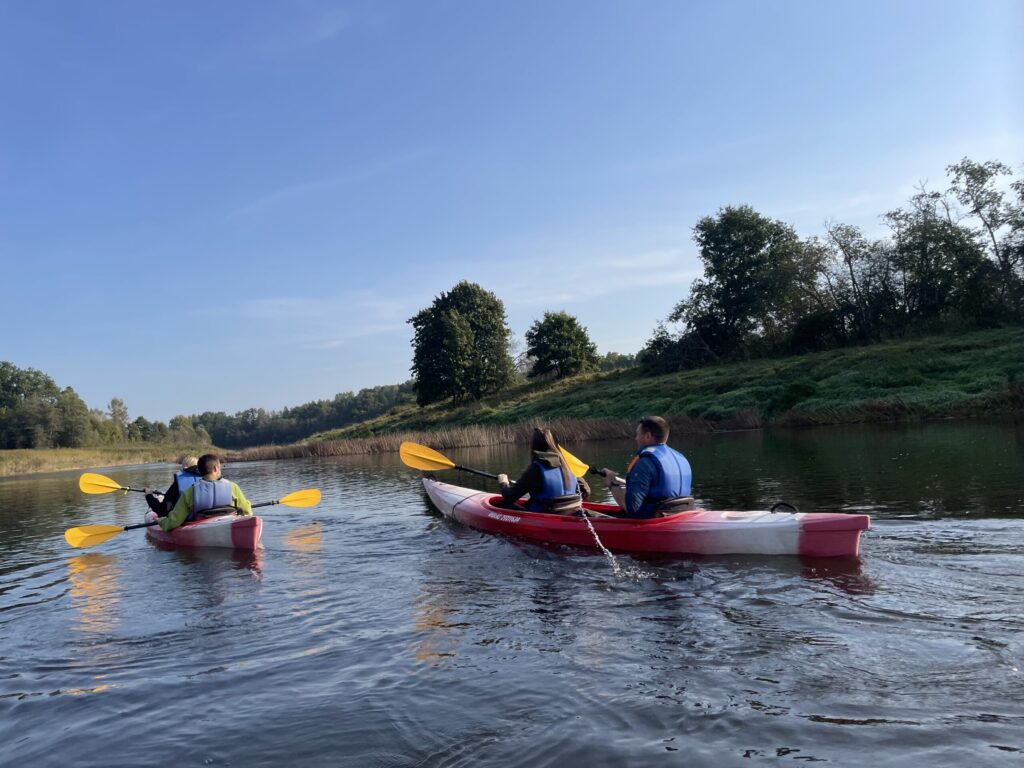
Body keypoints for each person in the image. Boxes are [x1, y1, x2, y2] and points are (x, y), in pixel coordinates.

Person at [599, 416, 693, 519]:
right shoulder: (681, 458)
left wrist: (612, 484)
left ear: (648, 436)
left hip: (653, 519)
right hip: (681, 513)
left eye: (638, 434)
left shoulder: (645, 463)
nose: (636, 438)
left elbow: (631, 508)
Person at [149, 453, 253, 532]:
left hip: (202, 524)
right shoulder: (233, 487)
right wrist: (248, 504)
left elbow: (173, 522)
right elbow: (248, 511)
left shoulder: (190, 492)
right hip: (229, 522)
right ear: (216, 468)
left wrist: (161, 521)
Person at [496, 428, 591, 513]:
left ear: (534, 447)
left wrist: (503, 483)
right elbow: (587, 491)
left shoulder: (535, 469)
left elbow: (509, 497)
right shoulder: (567, 465)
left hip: (546, 514)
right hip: (571, 512)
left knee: (501, 504)